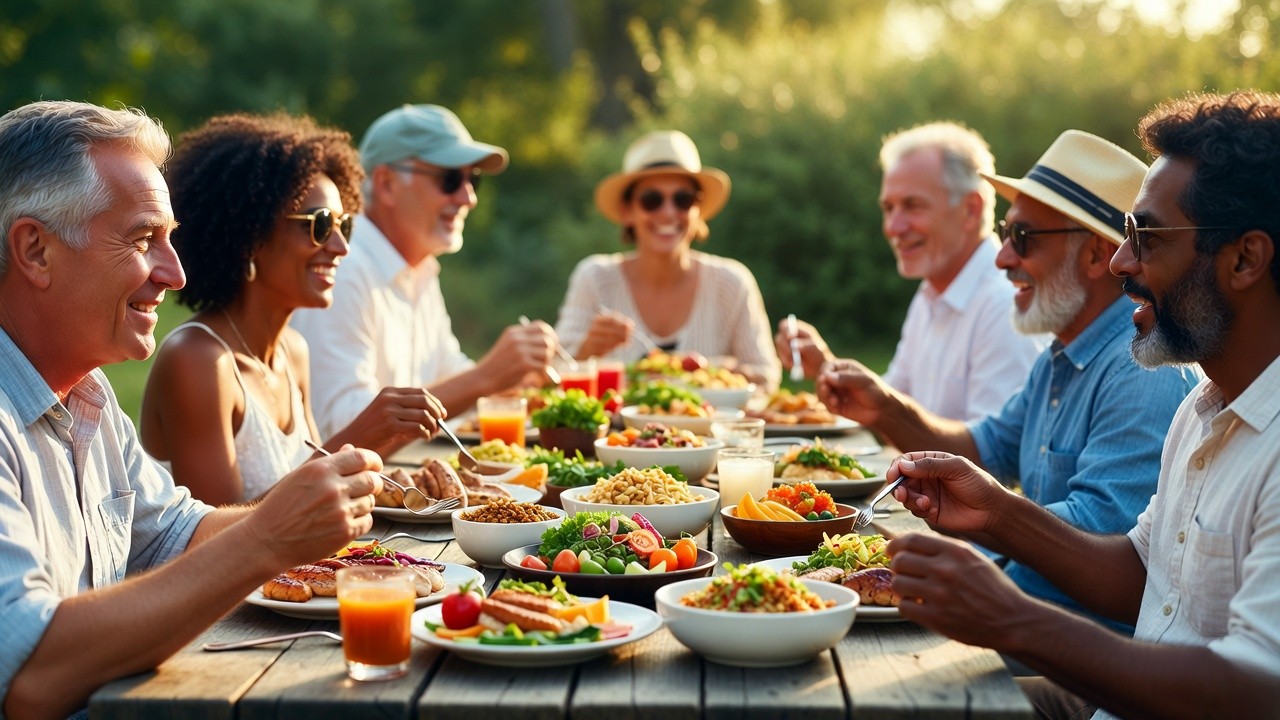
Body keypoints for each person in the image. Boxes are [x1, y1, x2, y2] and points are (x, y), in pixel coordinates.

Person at [882, 90, 1280, 719]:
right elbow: (1142, 574)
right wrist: (994, 511)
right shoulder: (1203, 407)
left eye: (1144, 236)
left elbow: (1257, 690)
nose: (1123, 261)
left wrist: (1012, 620)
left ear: (1246, 258)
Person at [0, 101, 386, 719]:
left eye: (170, 241)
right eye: (143, 239)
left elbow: (181, 536)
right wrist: (267, 536)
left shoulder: (89, 398)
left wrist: (322, 511)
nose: (174, 274)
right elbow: (30, 677)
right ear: (35, 251)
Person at [818, 129, 1201, 628]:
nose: (1002, 258)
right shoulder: (1060, 356)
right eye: (1005, 233)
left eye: (1023, 238)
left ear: (1094, 254)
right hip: (1015, 613)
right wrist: (885, 408)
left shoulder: (1140, 371)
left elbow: (1103, 550)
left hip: (1069, 652)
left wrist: (990, 517)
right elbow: (984, 446)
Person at [140, 113, 447, 504]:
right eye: (320, 225)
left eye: (344, 225)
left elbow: (324, 498)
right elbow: (216, 538)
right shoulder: (198, 362)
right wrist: (362, 434)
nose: (340, 247)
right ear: (250, 234)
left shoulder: (293, 351)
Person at [291, 104, 556, 436]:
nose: (468, 197)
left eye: (471, 178)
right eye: (449, 179)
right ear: (386, 184)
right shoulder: (343, 269)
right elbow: (341, 428)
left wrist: (514, 376)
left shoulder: (419, 268)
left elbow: (450, 374)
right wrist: (486, 377)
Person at [776, 122, 1045, 421]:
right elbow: (888, 407)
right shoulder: (932, 293)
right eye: (888, 208)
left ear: (971, 210)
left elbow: (989, 459)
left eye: (913, 206)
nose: (894, 227)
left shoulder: (1004, 305)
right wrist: (827, 367)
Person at [554, 130, 781, 389]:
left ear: (698, 210)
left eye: (683, 199)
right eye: (652, 200)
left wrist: (711, 371)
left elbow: (766, 379)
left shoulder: (731, 283)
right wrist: (586, 350)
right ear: (627, 211)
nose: (668, 212)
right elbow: (552, 375)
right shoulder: (594, 279)